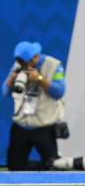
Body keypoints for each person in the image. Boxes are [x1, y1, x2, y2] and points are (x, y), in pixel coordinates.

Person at [2, 41, 65, 171]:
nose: (24, 66)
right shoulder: (18, 65)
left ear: (35, 57)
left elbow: (59, 92)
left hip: (44, 126)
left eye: (26, 63)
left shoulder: (54, 65)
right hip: (21, 125)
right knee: (14, 167)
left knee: (52, 166)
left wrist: (40, 79)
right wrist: (11, 79)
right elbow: (5, 92)